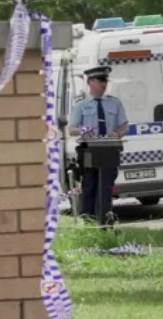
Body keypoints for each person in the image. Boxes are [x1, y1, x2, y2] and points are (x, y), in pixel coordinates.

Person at [67, 65, 129, 223]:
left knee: (106, 189)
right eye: (101, 80)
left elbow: (124, 125)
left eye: (105, 80)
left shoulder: (114, 103)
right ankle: (89, 222)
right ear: (91, 82)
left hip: (109, 151)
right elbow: (71, 129)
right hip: (89, 152)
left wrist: (118, 133)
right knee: (90, 188)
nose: (104, 83)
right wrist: (84, 130)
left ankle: (106, 223)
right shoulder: (81, 105)